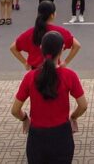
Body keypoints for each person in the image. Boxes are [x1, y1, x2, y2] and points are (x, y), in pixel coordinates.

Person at [11, 31, 89, 164]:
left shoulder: (30, 77)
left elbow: (15, 110)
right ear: (62, 48)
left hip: (37, 136)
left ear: (41, 48)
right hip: (62, 134)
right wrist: (73, 117)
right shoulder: (69, 75)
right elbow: (83, 106)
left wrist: (25, 118)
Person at [11, 1, 79, 70]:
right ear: (52, 15)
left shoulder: (31, 32)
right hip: (54, 70)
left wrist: (25, 62)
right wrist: (65, 62)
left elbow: (13, 48)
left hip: (35, 71)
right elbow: (77, 45)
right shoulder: (59, 32)